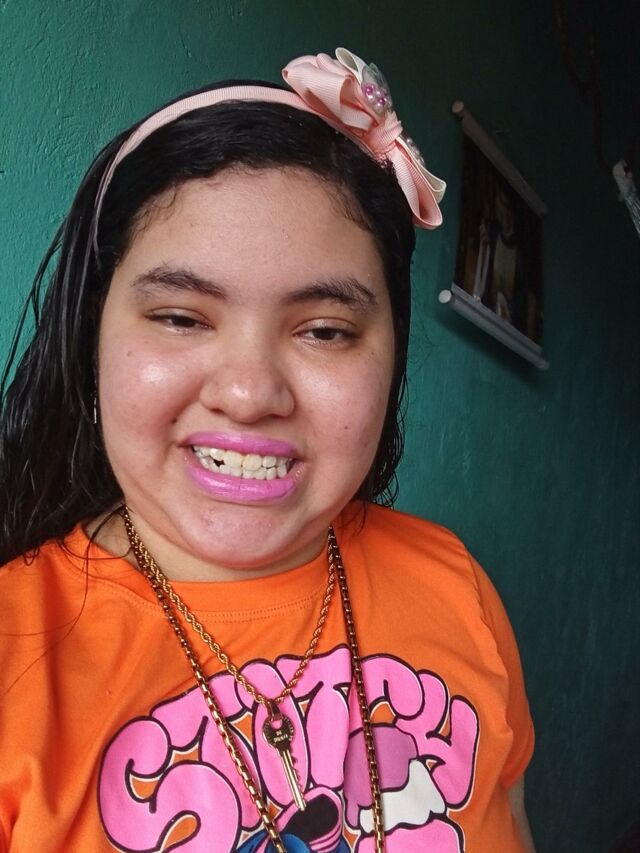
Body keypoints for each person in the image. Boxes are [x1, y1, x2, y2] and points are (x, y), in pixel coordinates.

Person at [0, 48, 535, 852]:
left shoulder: (457, 586)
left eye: (325, 330)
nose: (249, 394)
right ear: (92, 337)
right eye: (181, 317)